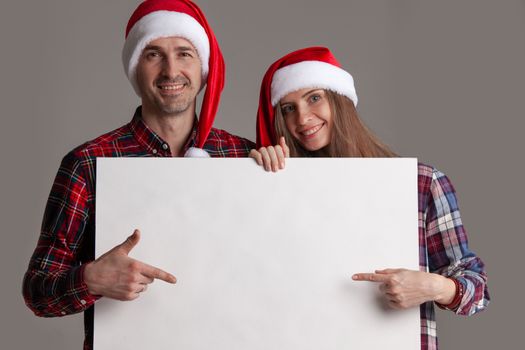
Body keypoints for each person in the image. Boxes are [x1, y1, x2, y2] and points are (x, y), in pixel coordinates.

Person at [22, 1, 254, 349]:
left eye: (184, 54)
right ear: (135, 68)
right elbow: (37, 291)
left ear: (203, 68)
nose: (170, 70)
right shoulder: (88, 162)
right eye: (153, 55)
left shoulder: (245, 157)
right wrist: (90, 279)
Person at [250, 46, 489, 349]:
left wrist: (433, 286)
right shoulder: (278, 190)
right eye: (288, 108)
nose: (303, 117)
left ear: (340, 99)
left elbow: (476, 289)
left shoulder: (421, 183)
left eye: (314, 98)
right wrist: (257, 177)